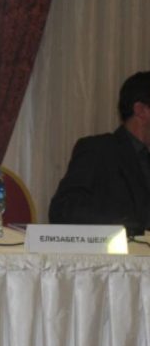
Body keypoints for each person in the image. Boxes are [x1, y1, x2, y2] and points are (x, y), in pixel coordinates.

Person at [49, 71, 150, 235]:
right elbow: (64, 209)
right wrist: (124, 223)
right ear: (141, 110)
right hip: (120, 250)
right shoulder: (99, 149)